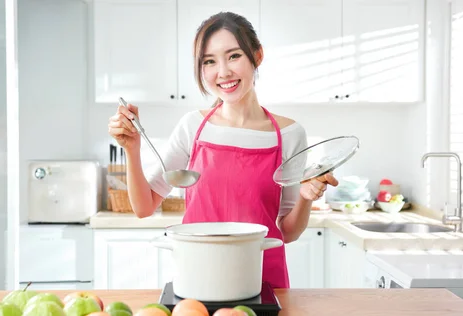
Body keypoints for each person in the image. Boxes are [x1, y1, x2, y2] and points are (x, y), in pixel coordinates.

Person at [108, 11, 338, 289]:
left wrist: (305, 196)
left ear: (258, 55)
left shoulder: (289, 135)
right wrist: (132, 150)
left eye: (234, 56)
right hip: (200, 277)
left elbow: (288, 232)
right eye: (209, 61)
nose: (223, 72)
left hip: (262, 278)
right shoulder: (192, 127)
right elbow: (144, 207)